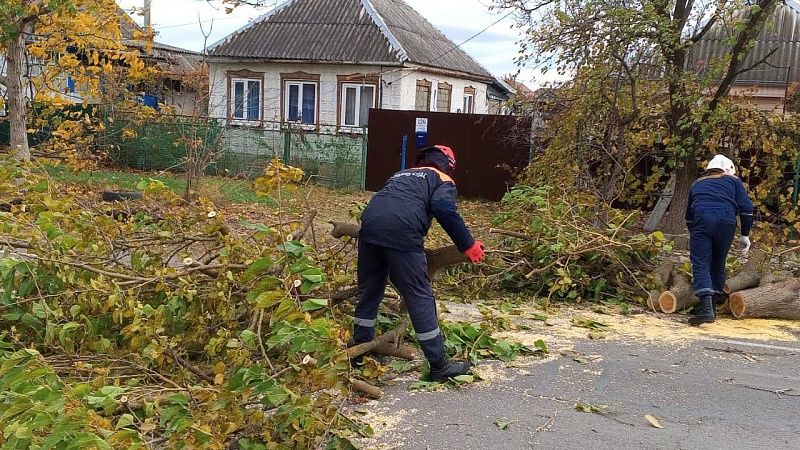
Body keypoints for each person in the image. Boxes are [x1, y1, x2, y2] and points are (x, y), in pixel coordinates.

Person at [351, 145, 485, 381]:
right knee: (419, 294)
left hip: (370, 227)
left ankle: (360, 349)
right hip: (402, 231)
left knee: (370, 288)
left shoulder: (400, 175)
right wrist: (467, 244)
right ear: (449, 165)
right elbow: (444, 208)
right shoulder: (443, 179)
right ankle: (438, 365)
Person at [685, 154, 754, 326]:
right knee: (718, 262)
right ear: (728, 169)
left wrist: (698, 234)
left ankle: (706, 308)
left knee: (701, 263)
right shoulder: (734, 182)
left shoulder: (697, 184)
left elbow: (689, 217)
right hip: (726, 222)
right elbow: (747, 209)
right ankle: (712, 306)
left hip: (701, 221)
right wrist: (745, 234)